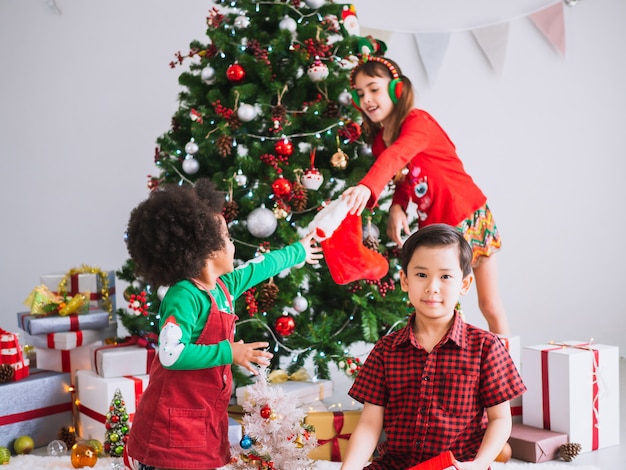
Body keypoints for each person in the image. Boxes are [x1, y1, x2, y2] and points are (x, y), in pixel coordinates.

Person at [122, 179, 323, 470]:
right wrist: (229, 352)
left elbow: (261, 266)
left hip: (202, 410)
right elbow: (171, 354)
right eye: (227, 238)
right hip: (173, 420)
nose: (233, 244)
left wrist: (299, 251)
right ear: (206, 249)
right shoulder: (184, 296)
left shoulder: (223, 287)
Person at [342, 56, 509, 335]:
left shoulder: (419, 122)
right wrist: (398, 206)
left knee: (489, 305)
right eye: (360, 94)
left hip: (467, 214)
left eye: (373, 89)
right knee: (444, 310)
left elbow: (399, 155)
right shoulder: (381, 141)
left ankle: (507, 373)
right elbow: (405, 177)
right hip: (436, 228)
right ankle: (453, 370)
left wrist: (367, 186)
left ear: (397, 89)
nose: (367, 99)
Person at [340, 224, 525, 470]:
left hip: (458, 467)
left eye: (446, 276)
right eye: (421, 275)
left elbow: (500, 419)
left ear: (465, 284)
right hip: (395, 465)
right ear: (405, 280)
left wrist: (479, 464)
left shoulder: (486, 347)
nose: (432, 287)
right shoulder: (386, 350)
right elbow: (370, 423)